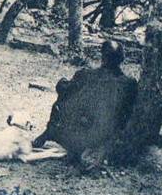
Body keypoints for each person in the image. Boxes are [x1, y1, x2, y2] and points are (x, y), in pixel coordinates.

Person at [32, 40, 138, 168]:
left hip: (72, 137)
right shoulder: (129, 84)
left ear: (102, 57)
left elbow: (63, 89)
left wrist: (62, 82)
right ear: (122, 59)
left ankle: (48, 133)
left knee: (63, 99)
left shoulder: (85, 75)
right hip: (103, 138)